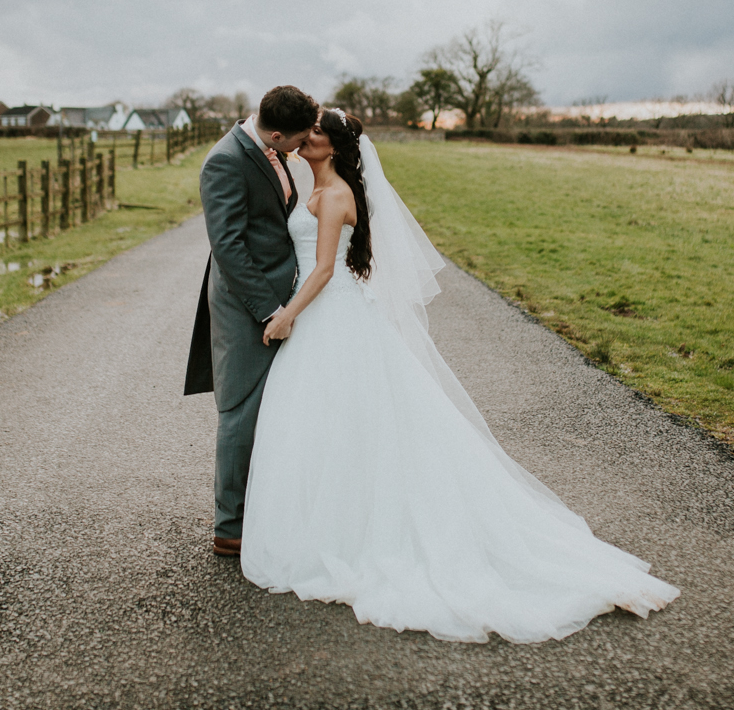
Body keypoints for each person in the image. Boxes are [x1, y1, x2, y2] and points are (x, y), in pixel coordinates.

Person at [238, 108, 680, 643]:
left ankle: (357, 538)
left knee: (349, 420)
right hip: (325, 318)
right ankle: (321, 527)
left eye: (314, 135)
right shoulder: (313, 185)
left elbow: (327, 269)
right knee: (324, 424)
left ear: (331, 147)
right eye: (304, 134)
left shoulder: (334, 198)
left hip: (330, 314)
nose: (304, 140)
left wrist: (287, 315)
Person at [185, 85, 320, 557]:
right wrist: (269, 309)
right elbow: (228, 247)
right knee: (240, 410)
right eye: (298, 141)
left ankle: (264, 510)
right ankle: (230, 527)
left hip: (279, 295)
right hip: (247, 303)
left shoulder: (269, 149)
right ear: (277, 133)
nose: (302, 149)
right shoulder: (225, 160)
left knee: (272, 405)